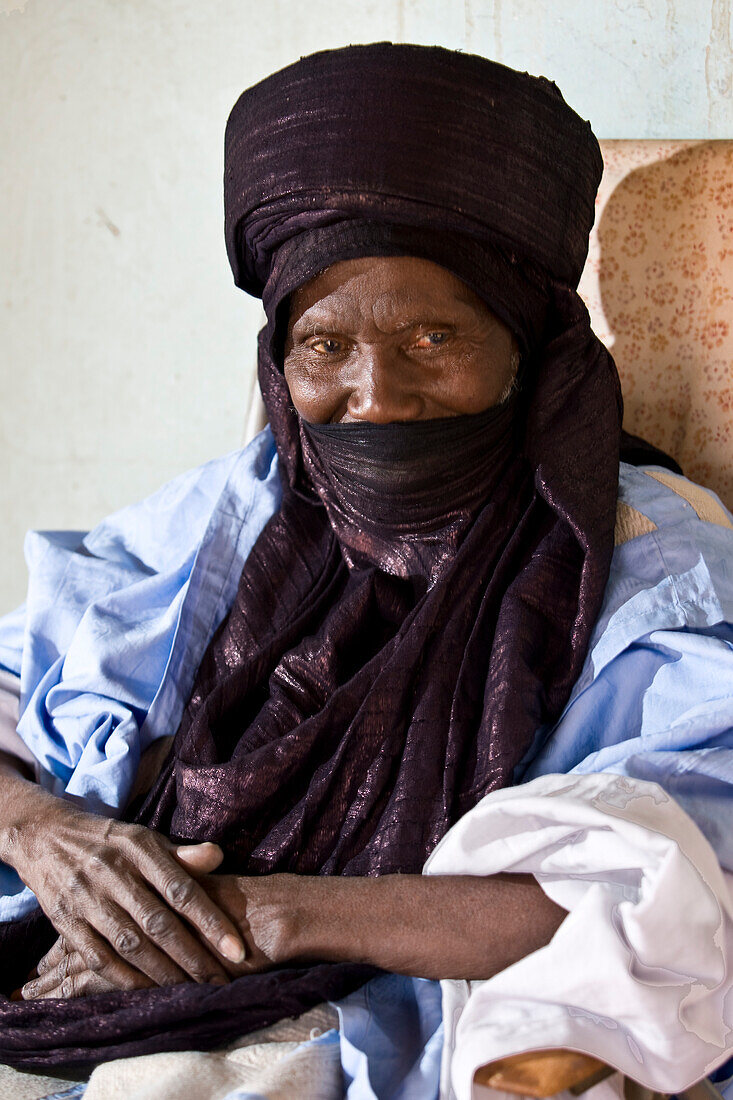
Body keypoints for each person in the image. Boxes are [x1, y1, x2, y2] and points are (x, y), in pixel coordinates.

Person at [0, 41, 731, 1100]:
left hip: (403, 1018)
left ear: (525, 348)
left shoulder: (646, 565)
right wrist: (51, 833)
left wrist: (265, 912)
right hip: (113, 983)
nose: (377, 395)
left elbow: (680, 882)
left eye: (433, 336)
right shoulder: (237, 507)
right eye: (325, 346)